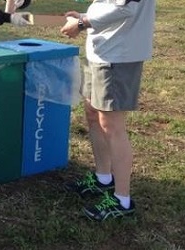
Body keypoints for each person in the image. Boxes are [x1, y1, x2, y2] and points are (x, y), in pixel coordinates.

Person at [60, 0, 156, 221]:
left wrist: (83, 23)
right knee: (93, 115)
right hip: (101, 51)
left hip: (118, 55)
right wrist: (85, 15)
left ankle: (122, 200)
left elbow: (125, 7)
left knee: (111, 126)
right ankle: (103, 178)